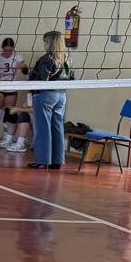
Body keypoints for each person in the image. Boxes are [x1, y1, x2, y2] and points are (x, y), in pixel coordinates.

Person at [27, 29, 74, 169]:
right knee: (57, 128)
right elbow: (72, 78)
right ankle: (57, 161)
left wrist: (31, 79)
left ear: (51, 43)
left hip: (45, 95)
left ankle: (42, 160)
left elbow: (42, 80)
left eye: (45, 42)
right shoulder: (67, 58)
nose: (44, 45)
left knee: (42, 128)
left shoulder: (46, 59)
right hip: (61, 96)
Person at [0, 38, 27, 147]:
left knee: (8, 114)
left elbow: (25, 71)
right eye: (5, 50)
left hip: (11, 89)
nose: (8, 52)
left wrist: (23, 67)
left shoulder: (17, 56)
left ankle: (6, 138)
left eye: (10, 50)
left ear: (13, 49)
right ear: (2, 48)